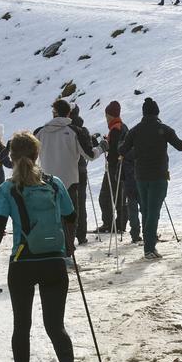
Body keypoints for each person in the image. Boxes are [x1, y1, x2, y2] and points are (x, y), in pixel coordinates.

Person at [0, 131, 78, 362]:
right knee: (55, 325)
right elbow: (71, 216)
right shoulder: (54, 184)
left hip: (22, 261)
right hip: (54, 260)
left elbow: (0, 224)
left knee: (21, 324)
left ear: (11, 158)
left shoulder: (7, 189)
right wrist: (68, 244)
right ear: (37, 155)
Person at [119, 98, 182, 259]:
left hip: (140, 176)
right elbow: (180, 146)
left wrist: (136, 154)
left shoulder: (135, 130)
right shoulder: (164, 129)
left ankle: (149, 244)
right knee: (153, 211)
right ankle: (149, 248)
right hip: (159, 176)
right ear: (157, 112)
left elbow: (123, 150)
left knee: (146, 210)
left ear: (144, 113)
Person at [34, 100, 106, 252]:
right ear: (68, 113)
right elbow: (89, 155)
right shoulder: (74, 131)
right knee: (70, 218)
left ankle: (54, 251)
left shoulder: (40, 132)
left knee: (52, 218)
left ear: (53, 112)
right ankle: (67, 252)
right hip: (69, 182)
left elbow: (30, 157)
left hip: (46, 182)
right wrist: (102, 147)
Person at [98, 101, 130, 235]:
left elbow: (115, 149)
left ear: (110, 115)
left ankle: (109, 224)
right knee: (120, 197)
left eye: (107, 115)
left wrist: (106, 147)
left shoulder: (115, 129)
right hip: (123, 166)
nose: (106, 118)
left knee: (105, 197)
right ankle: (120, 223)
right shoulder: (122, 126)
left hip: (114, 167)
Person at [68, 105, 93, 244]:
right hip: (82, 169)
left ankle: (69, 232)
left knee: (68, 202)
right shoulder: (83, 129)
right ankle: (81, 235)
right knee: (81, 202)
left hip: (68, 169)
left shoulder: (67, 129)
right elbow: (88, 148)